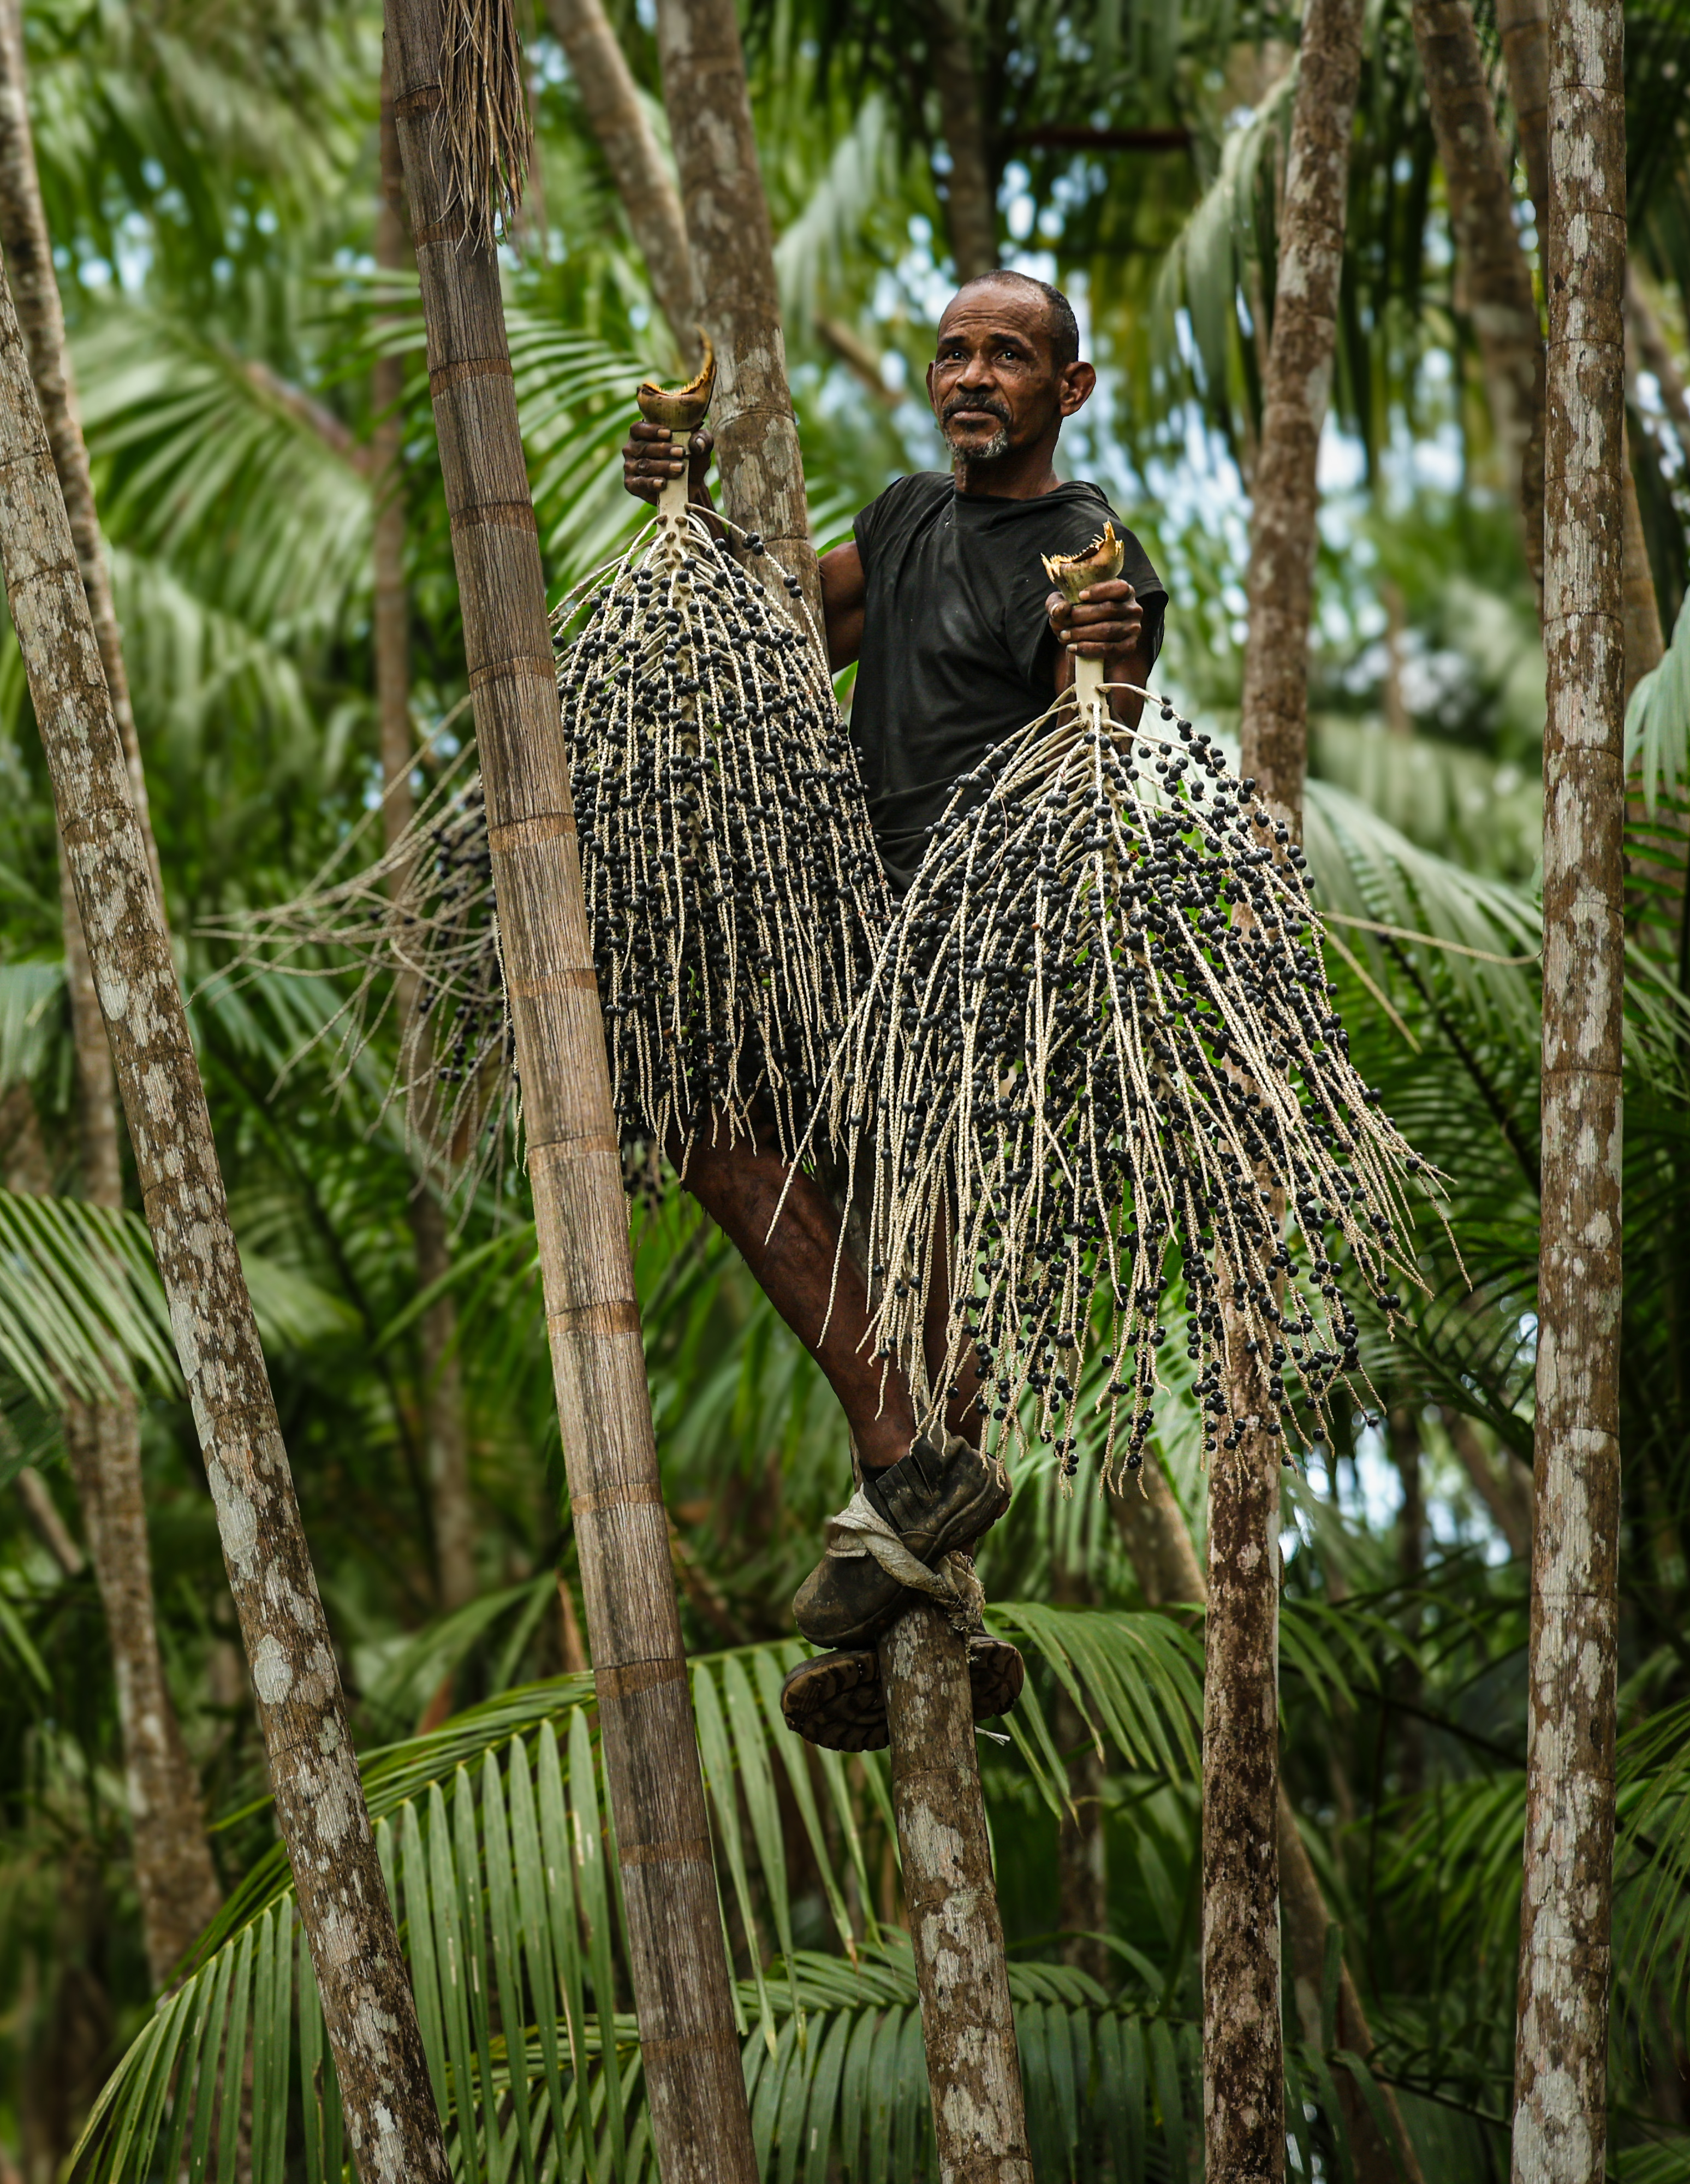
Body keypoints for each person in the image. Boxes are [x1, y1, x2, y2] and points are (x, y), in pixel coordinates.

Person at [620, 270, 1169, 1751]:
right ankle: (913, 1495)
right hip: (852, 936)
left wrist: (1108, 660)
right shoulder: (909, 520)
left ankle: (912, 1568)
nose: (973, 375)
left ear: (1073, 386)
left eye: (1009, 355)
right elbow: (769, 623)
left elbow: (1095, 723)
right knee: (714, 1126)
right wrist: (679, 502)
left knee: (926, 1256)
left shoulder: (1088, 550)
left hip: (985, 950)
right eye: (954, 353)